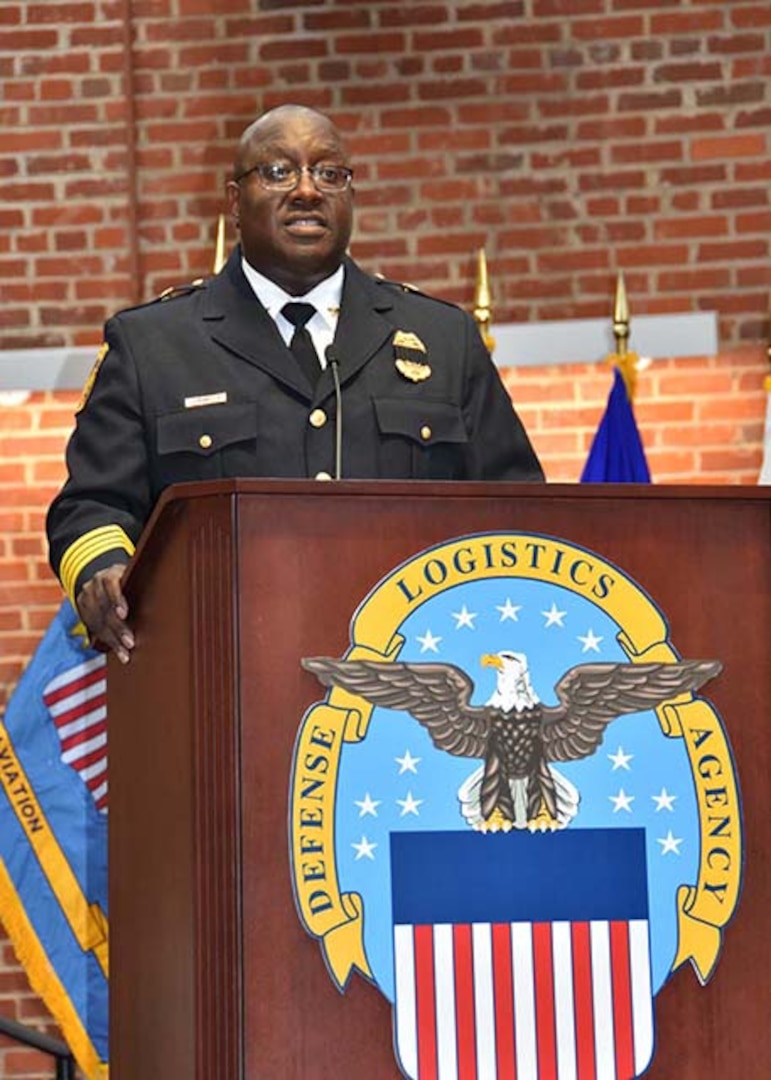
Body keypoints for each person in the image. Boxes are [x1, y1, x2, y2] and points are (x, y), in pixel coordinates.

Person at [47, 104, 543, 663]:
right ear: (235, 201)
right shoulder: (152, 346)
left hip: (413, 676)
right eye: (279, 172)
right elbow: (91, 506)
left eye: (330, 173)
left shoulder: (444, 339)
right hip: (221, 664)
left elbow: (522, 508)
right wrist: (103, 571)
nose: (307, 190)